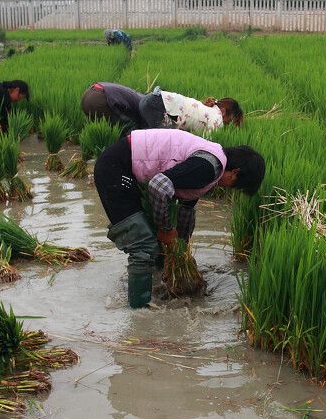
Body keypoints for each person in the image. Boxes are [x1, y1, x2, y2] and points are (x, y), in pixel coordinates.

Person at [94, 129, 265, 308]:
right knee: (143, 246)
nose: (230, 188)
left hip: (126, 167)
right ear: (235, 172)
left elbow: (186, 208)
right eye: (235, 185)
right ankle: (139, 314)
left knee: (156, 245)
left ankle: (155, 290)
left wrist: (180, 248)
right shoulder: (210, 166)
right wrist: (166, 229)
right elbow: (158, 185)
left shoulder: (210, 161)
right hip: (116, 168)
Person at [80, 82, 244, 135]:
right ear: (223, 112)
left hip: (90, 95)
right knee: (134, 136)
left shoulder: (203, 107)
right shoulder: (216, 119)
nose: (227, 124)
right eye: (230, 121)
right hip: (101, 99)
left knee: (116, 135)